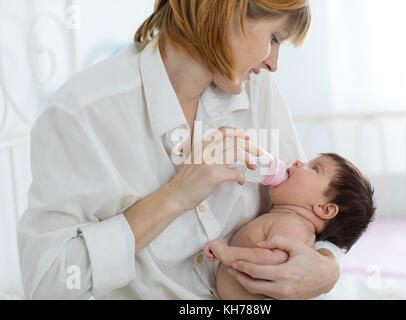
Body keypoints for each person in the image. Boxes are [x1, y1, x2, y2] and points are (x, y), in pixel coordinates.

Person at [17, 0, 341, 299]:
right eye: (274, 37)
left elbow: (309, 206)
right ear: (228, 10)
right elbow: (48, 283)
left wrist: (328, 265)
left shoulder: (258, 90)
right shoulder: (84, 113)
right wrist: (175, 196)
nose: (274, 64)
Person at [204, 153, 376, 299]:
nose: (298, 162)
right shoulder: (288, 220)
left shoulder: (293, 225)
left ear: (325, 209)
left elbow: (274, 260)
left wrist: (227, 253)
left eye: (314, 169)